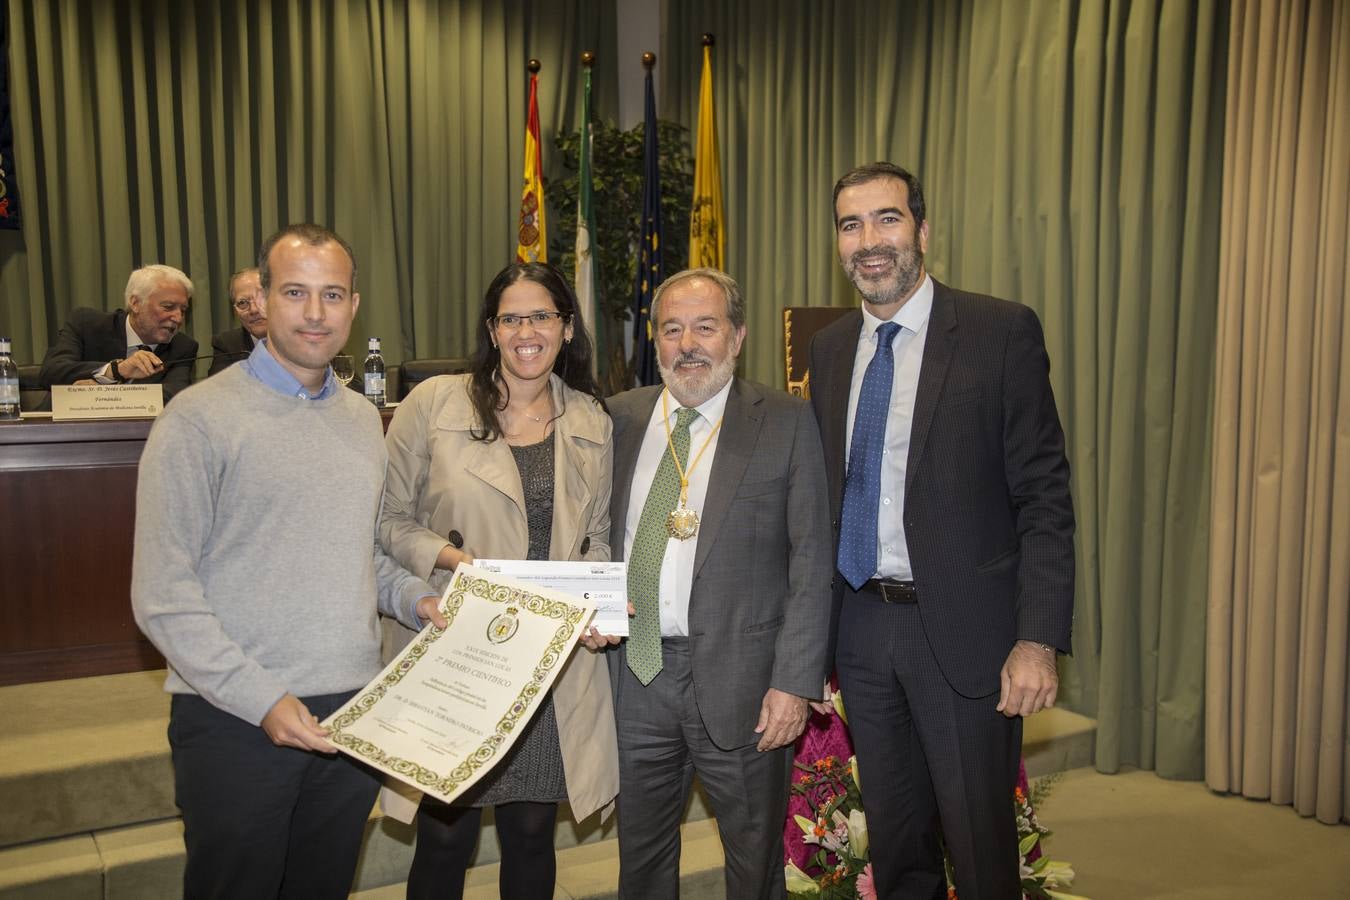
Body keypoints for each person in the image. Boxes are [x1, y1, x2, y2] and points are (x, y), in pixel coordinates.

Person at [131, 224, 439, 899]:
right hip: (236, 718)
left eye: (333, 295)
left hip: (352, 715)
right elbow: (162, 596)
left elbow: (357, 554)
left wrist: (417, 596)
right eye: (295, 292)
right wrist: (262, 699)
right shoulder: (196, 419)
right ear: (261, 301)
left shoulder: (363, 419)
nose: (315, 312)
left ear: (355, 308)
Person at [808, 162, 1075, 899]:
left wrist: (1037, 638)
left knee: (981, 851)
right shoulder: (829, 352)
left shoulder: (998, 332)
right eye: (851, 225)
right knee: (896, 849)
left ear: (922, 231)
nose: (870, 241)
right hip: (861, 631)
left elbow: (1045, 498)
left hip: (965, 634)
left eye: (887, 219)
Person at [379, 262, 619, 900]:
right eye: (511, 317)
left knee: (534, 832)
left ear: (566, 328)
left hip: (546, 659)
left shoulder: (592, 419)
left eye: (541, 315)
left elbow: (598, 536)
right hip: (455, 648)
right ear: (492, 329)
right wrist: (455, 562)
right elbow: (388, 521)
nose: (526, 331)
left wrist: (596, 609)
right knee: (446, 834)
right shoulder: (434, 403)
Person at [598, 268, 832, 899]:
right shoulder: (615, 420)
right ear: (655, 341)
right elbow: (586, 536)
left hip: (747, 683)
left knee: (752, 862)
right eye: (671, 329)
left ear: (737, 337)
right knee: (641, 860)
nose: (688, 344)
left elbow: (812, 560)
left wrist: (794, 681)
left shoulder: (786, 420)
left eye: (706, 327)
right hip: (636, 677)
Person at [39, 263, 198, 402]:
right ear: (135, 304)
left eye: (183, 311)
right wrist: (115, 370)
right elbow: (52, 372)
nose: (178, 318)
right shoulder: (87, 325)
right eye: (168, 307)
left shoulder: (182, 347)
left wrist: (102, 394)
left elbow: (174, 397)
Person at [206, 266, 265, 375]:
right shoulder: (227, 344)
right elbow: (218, 388)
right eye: (243, 303)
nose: (254, 310)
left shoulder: (301, 338)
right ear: (235, 311)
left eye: (261, 299)